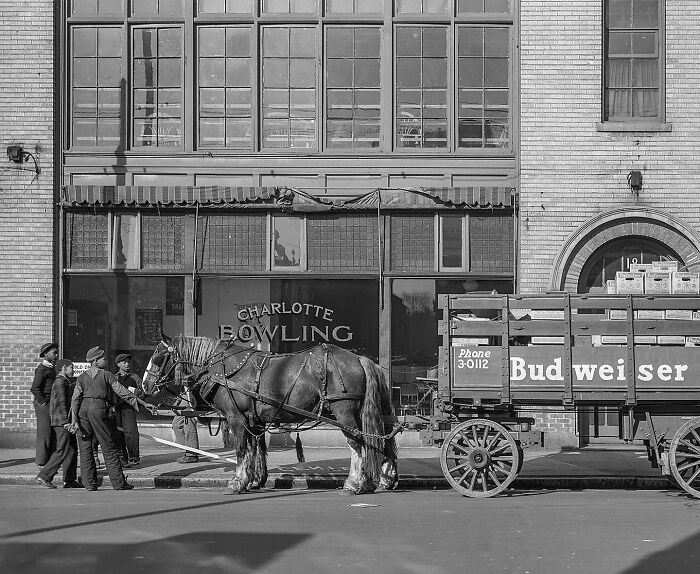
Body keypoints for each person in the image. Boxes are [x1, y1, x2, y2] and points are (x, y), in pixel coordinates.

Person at [70, 346, 141, 491]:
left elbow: (75, 399)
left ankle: (89, 484)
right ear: (95, 361)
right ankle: (119, 483)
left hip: (83, 411)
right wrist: (138, 402)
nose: (105, 360)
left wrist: (74, 420)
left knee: (85, 448)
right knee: (108, 446)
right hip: (98, 409)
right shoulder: (107, 375)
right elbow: (122, 392)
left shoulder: (81, 377)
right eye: (103, 358)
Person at [34, 359, 80, 489]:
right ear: (64, 368)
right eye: (71, 367)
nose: (73, 370)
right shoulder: (60, 382)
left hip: (64, 421)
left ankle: (69, 479)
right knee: (62, 450)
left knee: (71, 450)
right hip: (61, 422)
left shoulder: (64, 382)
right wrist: (66, 422)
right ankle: (44, 476)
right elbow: (60, 403)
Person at [30, 342, 58, 468]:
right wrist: (43, 402)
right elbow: (35, 388)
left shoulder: (52, 367)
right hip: (43, 405)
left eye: (57, 352)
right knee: (44, 433)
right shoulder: (41, 369)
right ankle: (41, 462)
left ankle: (50, 461)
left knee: (52, 433)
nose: (56, 355)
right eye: (54, 353)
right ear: (45, 354)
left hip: (51, 403)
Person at [114, 353, 143, 466]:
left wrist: (136, 396)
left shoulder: (134, 378)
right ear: (118, 364)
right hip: (117, 409)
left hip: (129, 409)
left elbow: (143, 392)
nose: (127, 364)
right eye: (124, 362)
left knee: (131, 433)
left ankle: (134, 457)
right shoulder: (114, 378)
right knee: (118, 434)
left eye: (128, 362)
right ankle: (122, 458)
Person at [171, 382, 200, 464]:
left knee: (189, 428)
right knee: (176, 424)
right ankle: (188, 448)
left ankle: (192, 455)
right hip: (183, 395)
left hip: (190, 395)